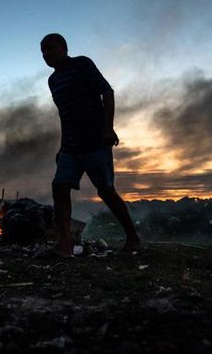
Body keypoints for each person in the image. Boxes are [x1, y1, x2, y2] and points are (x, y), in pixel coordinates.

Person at [40, 33, 142, 257]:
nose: (46, 54)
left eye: (50, 48)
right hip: (71, 146)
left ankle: (133, 239)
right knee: (59, 187)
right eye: (43, 51)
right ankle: (64, 244)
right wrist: (61, 145)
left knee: (106, 191)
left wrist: (108, 127)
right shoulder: (53, 81)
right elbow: (64, 114)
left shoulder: (82, 64)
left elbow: (107, 92)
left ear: (64, 48)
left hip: (95, 141)